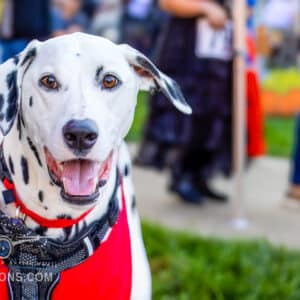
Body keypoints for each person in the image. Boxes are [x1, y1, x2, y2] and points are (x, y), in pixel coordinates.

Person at [135, 0, 233, 204]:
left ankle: (200, 175)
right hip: (186, 50)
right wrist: (206, 8)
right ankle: (181, 176)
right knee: (187, 115)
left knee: (213, 116)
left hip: (219, 54)